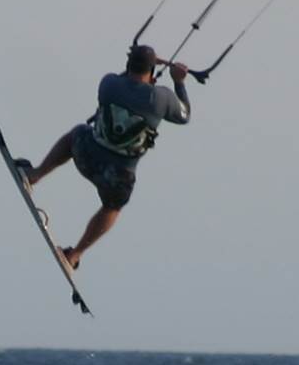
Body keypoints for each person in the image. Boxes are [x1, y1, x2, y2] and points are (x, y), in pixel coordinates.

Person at [18, 43, 192, 270]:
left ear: (128, 65)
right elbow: (184, 115)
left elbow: (125, 84)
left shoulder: (108, 83)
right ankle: (75, 255)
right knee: (113, 207)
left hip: (86, 156)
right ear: (150, 71)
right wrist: (178, 81)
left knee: (76, 133)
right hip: (116, 179)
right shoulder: (161, 98)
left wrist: (143, 68)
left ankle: (34, 175)